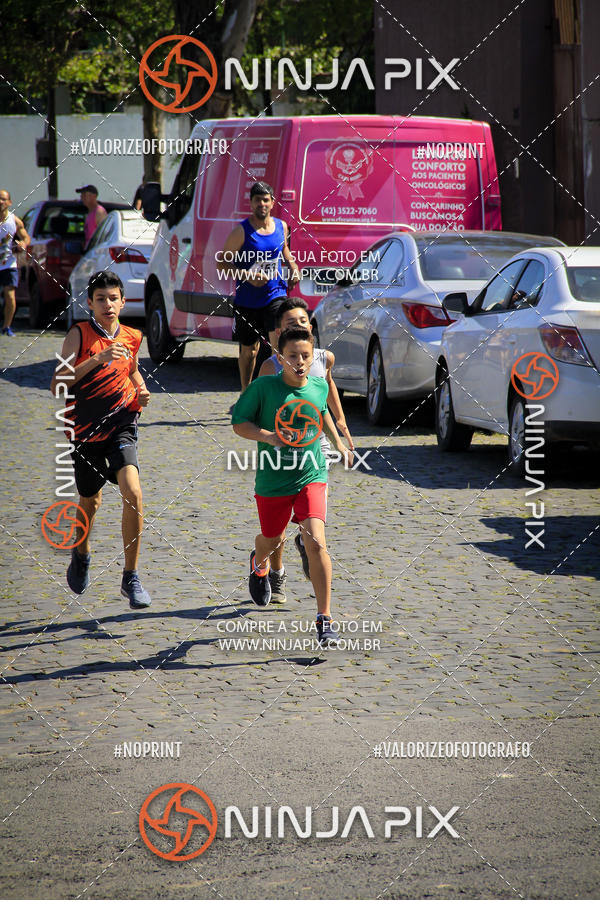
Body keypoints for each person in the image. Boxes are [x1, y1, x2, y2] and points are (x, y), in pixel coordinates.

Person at [232, 327, 343, 646]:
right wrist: (267, 436)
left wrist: (339, 444)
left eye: (306, 356)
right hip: (274, 479)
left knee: (316, 541)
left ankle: (324, 617)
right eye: (292, 356)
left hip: (312, 474)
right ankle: (259, 561)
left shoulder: (319, 385)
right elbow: (239, 422)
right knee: (272, 539)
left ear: (313, 357)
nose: (299, 362)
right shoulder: (264, 387)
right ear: (279, 357)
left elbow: (321, 413)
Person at [50, 270, 152, 609]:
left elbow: (132, 368)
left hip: (123, 425)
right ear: (90, 303)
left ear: (123, 301)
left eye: (113, 298)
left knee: (133, 491)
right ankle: (81, 552)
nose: (107, 305)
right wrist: (97, 358)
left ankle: (132, 576)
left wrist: (141, 387)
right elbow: (57, 385)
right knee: (90, 502)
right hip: (85, 432)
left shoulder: (133, 336)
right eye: (100, 299)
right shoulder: (78, 335)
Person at [257, 298, 355, 597]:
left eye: (302, 322)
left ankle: (308, 542)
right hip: (282, 452)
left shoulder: (324, 358)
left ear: (310, 328)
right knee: (277, 527)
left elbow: (327, 389)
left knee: (312, 515)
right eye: (290, 324)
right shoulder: (270, 367)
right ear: (279, 333)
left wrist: (341, 425)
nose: (297, 327)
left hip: (318, 445)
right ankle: (276, 570)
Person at [218, 181, 300, 391]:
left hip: (275, 294)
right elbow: (222, 263)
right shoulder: (242, 231)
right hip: (248, 300)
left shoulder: (281, 226)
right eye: (257, 200)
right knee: (249, 352)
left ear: (272, 202)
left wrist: (293, 267)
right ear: (251, 203)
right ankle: (246, 392)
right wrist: (248, 275)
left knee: (277, 347)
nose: (262, 204)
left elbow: (285, 251)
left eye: (266, 200)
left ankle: (276, 393)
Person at [0, 189, 30, 336]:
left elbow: (26, 238)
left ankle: (7, 326)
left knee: (10, 295)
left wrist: (22, 244)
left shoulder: (15, 221)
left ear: (9, 202)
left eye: (3, 199)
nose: (1, 202)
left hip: (8, 263)